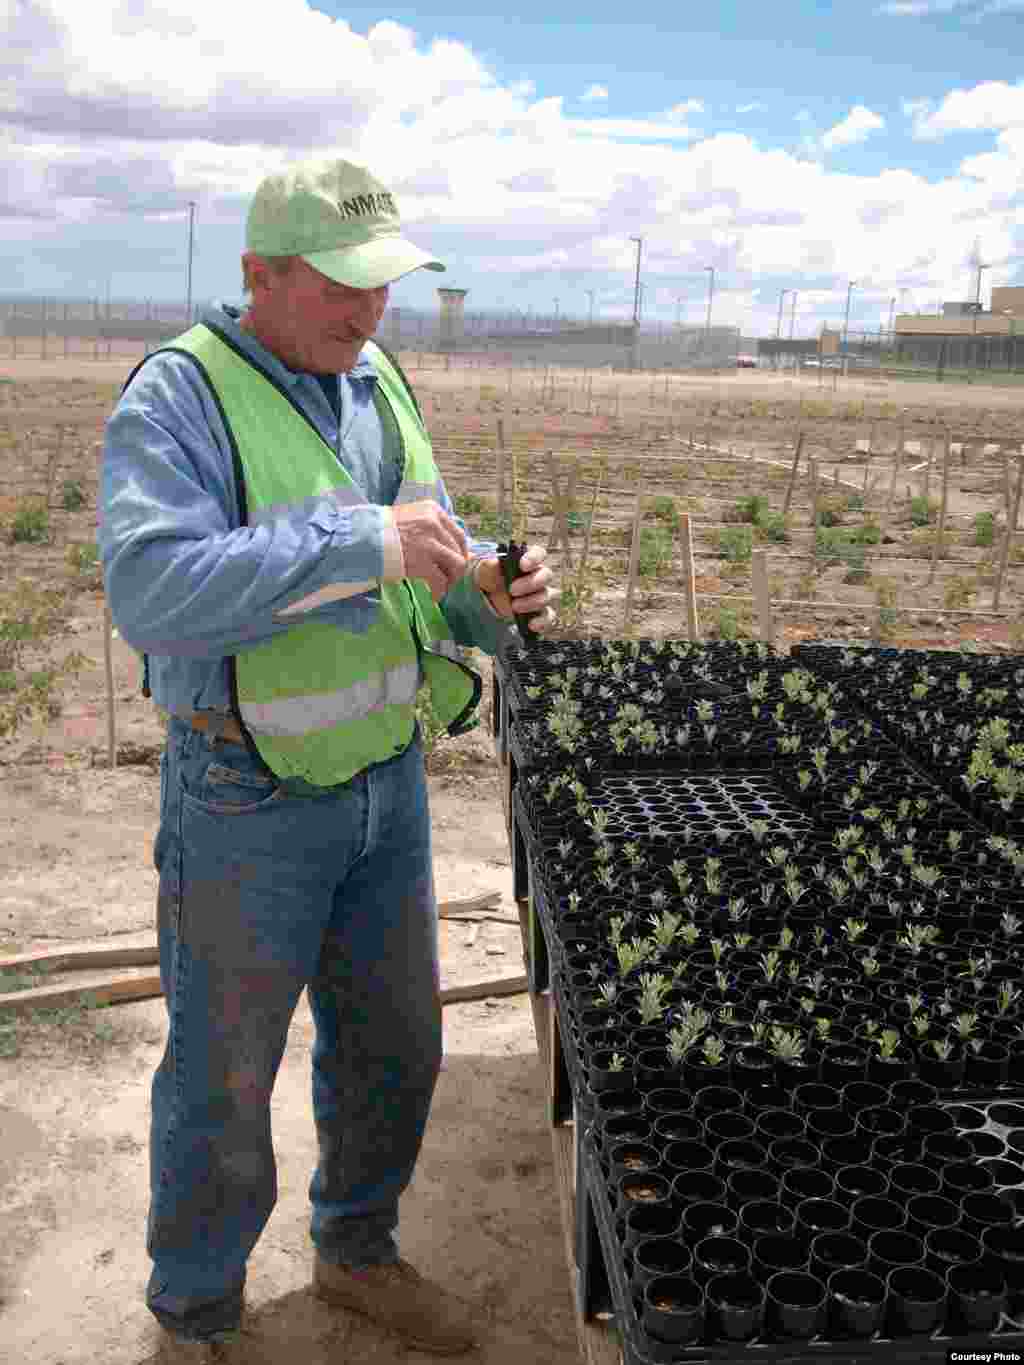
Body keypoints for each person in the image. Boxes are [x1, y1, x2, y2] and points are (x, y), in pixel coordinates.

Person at [99, 157, 555, 1362]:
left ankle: (357, 1247)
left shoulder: (376, 381)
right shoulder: (178, 399)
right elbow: (151, 591)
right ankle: (195, 1310)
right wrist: (361, 542)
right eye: (341, 290)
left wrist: (491, 593)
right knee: (225, 1076)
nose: (366, 315)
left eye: (383, 291)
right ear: (259, 276)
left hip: (381, 782)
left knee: (399, 1041)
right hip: (243, 794)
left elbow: (430, 563)